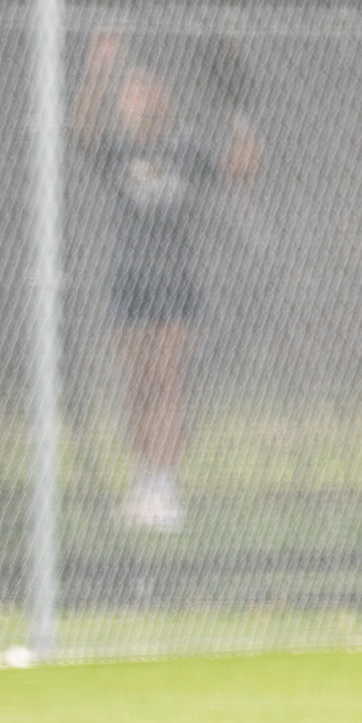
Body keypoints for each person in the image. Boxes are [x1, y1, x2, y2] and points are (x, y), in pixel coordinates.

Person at [73, 32, 260, 532]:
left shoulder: (187, 150)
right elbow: (83, 130)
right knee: (136, 386)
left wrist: (243, 122)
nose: (141, 104)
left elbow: (241, 169)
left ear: (166, 100)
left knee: (167, 381)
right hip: (127, 283)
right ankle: (141, 484)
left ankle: (165, 485)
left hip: (176, 284)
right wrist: (99, 70)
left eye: (149, 94)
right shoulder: (116, 152)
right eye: (132, 97)